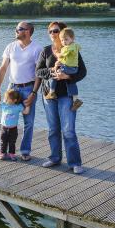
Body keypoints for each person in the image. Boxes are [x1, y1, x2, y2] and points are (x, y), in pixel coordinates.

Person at [36, 22, 87, 174]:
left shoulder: (72, 49)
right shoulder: (46, 50)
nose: (53, 33)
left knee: (68, 130)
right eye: (50, 31)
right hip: (48, 96)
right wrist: (52, 71)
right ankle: (54, 158)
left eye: (56, 31)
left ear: (63, 32)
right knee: (53, 129)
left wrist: (68, 76)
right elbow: (38, 71)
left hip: (67, 95)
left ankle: (75, 162)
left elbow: (82, 72)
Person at [0, 21, 43, 161]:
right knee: (4, 119)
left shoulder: (37, 49)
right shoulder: (10, 46)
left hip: (29, 88)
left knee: (29, 122)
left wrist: (34, 93)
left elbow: (39, 73)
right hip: (12, 88)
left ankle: (25, 151)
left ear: (27, 31)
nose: (16, 30)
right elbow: (2, 68)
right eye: (16, 28)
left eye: (19, 29)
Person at [45, 28, 83, 111]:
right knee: (71, 82)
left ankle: (51, 92)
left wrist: (57, 55)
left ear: (72, 39)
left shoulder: (69, 47)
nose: (64, 42)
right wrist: (58, 63)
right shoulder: (75, 46)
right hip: (72, 68)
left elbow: (62, 55)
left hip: (69, 68)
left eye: (66, 39)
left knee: (55, 74)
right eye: (62, 40)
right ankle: (75, 99)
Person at [0, 89, 29, 161]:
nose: (5, 100)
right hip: (4, 128)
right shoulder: (4, 105)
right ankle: (2, 153)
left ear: (14, 100)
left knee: (12, 142)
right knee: (3, 141)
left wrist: (28, 105)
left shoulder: (18, 106)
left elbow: (26, 112)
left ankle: (11, 154)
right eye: (5, 98)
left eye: (7, 99)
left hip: (13, 128)